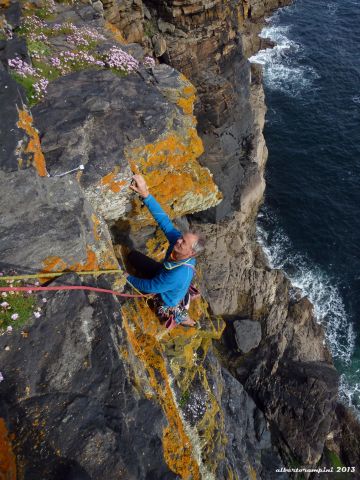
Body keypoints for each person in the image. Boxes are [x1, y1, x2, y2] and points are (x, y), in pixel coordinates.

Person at [125, 174, 204, 330]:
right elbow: (164, 222)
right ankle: (184, 301)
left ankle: (187, 321)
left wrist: (128, 278)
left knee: (169, 305)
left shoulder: (179, 274)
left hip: (165, 296)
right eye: (181, 237)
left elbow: (151, 287)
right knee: (132, 256)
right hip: (164, 275)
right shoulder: (178, 243)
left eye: (184, 242)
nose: (178, 241)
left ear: (191, 253)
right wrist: (145, 194)